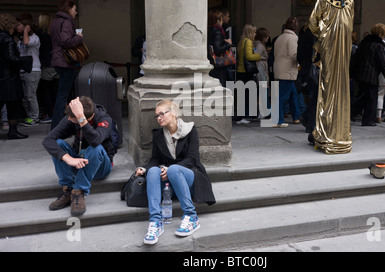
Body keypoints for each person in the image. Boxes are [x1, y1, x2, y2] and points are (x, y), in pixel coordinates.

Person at [134, 100, 215, 245]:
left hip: (190, 176)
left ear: (174, 113)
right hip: (170, 183)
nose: (158, 118)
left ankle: (191, 216)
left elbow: (192, 159)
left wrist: (169, 169)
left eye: (162, 114)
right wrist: (144, 168)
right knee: (152, 171)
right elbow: (155, 159)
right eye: (156, 116)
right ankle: (155, 222)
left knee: (173, 169)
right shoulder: (159, 135)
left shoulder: (190, 130)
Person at [42, 96, 115, 216]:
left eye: (73, 117)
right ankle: (68, 189)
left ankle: (78, 192)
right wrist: (68, 158)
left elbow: (95, 140)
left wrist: (81, 119)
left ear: (81, 116)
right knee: (58, 143)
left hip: (100, 166)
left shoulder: (104, 119)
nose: (69, 119)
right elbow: (48, 140)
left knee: (95, 147)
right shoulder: (71, 119)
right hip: (78, 161)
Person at [308, 0, 354, 154]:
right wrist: (323, 36)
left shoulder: (350, 0)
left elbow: (350, 23)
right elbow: (313, 21)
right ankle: (325, 133)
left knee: (342, 86)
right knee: (327, 86)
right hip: (329, 47)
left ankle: (341, 134)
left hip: (344, 48)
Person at [350, 23, 385, 127]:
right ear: (381, 34)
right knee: (371, 99)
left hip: (360, 74)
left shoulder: (363, 43)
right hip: (371, 75)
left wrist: (351, 73)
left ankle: (350, 112)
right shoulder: (378, 46)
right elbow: (383, 63)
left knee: (363, 97)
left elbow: (355, 59)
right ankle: (368, 120)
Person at [50, 0, 84, 130]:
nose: (76, 12)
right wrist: (79, 37)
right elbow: (66, 41)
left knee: (65, 94)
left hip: (58, 60)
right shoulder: (66, 22)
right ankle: (58, 126)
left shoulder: (56, 21)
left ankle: (67, 123)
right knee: (63, 95)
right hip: (65, 61)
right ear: (68, 9)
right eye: (74, 9)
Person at [0, 14, 33, 140]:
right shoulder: (7, 39)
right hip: (9, 78)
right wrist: (26, 60)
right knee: (13, 105)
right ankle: (13, 131)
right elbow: (11, 58)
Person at [273, 17, 301, 128]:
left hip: (280, 69)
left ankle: (296, 117)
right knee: (283, 96)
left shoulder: (280, 37)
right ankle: (278, 120)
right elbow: (294, 54)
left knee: (292, 94)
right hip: (288, 70)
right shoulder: (293, 38)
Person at [16, 13, 41, 127]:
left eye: (20, 25)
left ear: (27, 26)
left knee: (31, 95)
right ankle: (29, 116)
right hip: (23, 70)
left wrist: (26, 31)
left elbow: (27, 42)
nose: (17, 27)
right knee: (25, 97)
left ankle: (34, 118)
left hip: (33, 70)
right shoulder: (20, 41)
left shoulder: (35, 38)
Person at [235, 24, 261, 124]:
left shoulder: (242, 41)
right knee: (247, 94)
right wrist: (258, 56)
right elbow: (249, 56)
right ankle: (243, 116)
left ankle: (241, 116)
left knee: (242, 94)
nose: (255, 34)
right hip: (246, 71)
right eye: (254, 32)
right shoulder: (249, 42)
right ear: (250, 32)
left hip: (241, 70)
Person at [36, 14, 58, 124]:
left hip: (46, 64)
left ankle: (50, 113)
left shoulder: (41, 34)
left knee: (44, 90)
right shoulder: (55, 33)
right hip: (57, 64)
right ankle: (57, 113)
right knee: (55, 90)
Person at [207, 9, 232, 87]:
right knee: (221, 85)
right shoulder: (217, 32)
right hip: (219, 64)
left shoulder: (209, 30)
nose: (222, 21)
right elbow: (217, 49)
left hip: (211, 62)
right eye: (221, 19)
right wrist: (228, 44)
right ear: (217, 20)